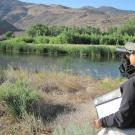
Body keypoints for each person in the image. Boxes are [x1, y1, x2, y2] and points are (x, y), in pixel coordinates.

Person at [94, 42, 135, 135]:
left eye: (130, 53)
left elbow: (122, 119)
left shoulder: (131, 84)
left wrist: (101, 122)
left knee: (106, 132)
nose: (127, 57)